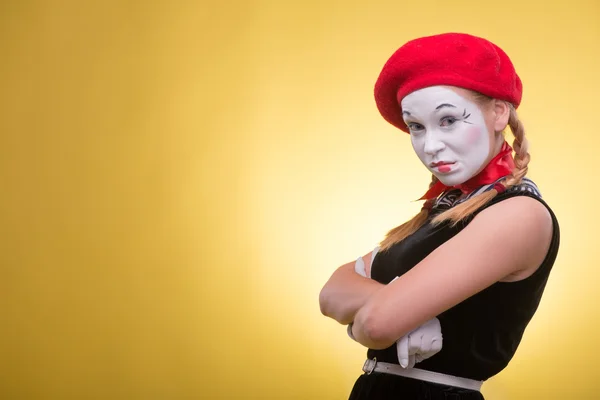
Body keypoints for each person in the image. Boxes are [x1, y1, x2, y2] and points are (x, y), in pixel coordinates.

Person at [319, 32, 560, 400]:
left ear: (498, 112)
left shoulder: (519, 213)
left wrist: (375, 322)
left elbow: (376, 324)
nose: (429, 145)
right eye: (416, 126)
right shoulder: (444, 207)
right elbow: (331, 290)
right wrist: (402, 314)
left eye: (447, 120)